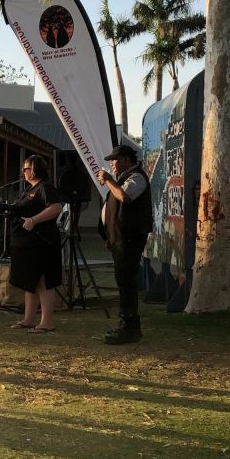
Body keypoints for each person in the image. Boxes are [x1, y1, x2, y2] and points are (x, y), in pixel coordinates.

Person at [97, 145, 153, 344]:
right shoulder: (120, 180)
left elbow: (124, 197)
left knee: (126, 281)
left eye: (115, 160)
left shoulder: (136, 178)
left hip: (130, 237)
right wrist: (110, 237)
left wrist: (109, 180)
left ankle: (129, 326)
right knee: (123, 280)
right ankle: (128, 324)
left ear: (127, 160)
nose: (112, 164)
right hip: (119, 238)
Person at [6, 155, 64, 332]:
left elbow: (56, 207)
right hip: (27, 243)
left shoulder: (45, 187)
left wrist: (34, 220)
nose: (24, 172)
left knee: (43, 281)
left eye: (27, 168)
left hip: (43, 242)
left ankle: (46, 322)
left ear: (36, 169)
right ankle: (29, 318)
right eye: (23, 168)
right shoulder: (29, 188)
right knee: (29, 280)